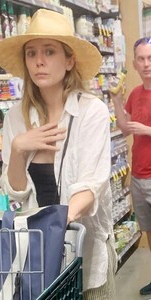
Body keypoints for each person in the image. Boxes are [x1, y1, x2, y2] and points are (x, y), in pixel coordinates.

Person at [0, 8, 117, 299]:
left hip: (85, 251)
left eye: (49, 51)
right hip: (35, 258)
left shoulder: (91, 111)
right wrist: (18, 149)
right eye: (31, 53)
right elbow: (18, 193)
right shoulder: (15, 118)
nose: (39, 61)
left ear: (69, 60)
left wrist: (54, 229)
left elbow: (90, 186)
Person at [110, 37, 151, 296]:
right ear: (134, 63)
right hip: (138, 175)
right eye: (141, 59)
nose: (146, 64)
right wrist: (116, 99)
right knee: (148, 230)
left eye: (150, 58)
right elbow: (125, 128)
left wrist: (147, 130)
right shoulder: (135, 95)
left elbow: (140, 129)